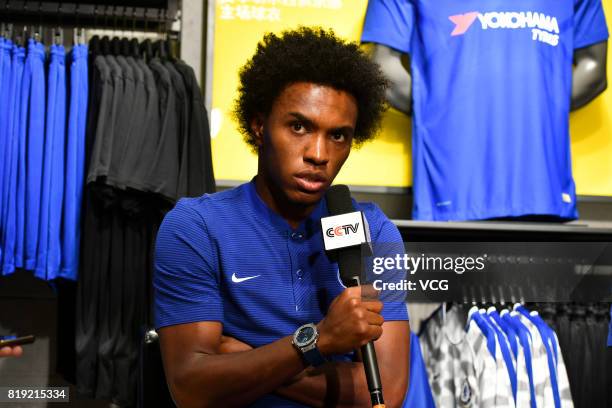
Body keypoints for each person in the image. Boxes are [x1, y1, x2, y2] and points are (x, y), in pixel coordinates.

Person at [154, 27, 410, 407]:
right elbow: (190, 388)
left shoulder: (373, 229)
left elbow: (383, 393)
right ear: (259, 126)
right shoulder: (195, 228)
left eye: (338, 136)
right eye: (299, 126)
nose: (319, 154)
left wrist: (244, 358)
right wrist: (319, 341)